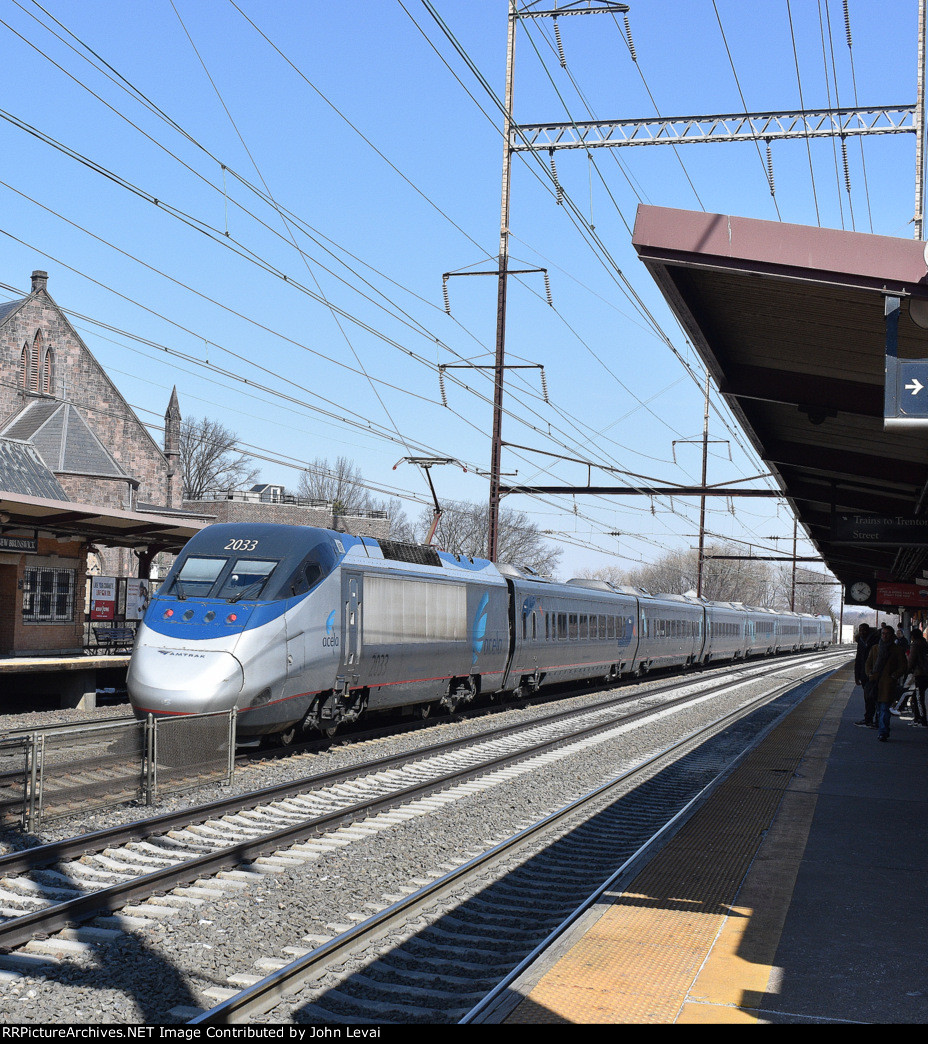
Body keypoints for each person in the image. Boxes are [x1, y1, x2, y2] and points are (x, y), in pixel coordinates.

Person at [866, 624, 908, 742]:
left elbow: (903, 666)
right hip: (875, 683)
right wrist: (869, 674)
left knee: (884, 709)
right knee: (879, 709)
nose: (884, 636)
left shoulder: (897, 650)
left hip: (887, 684)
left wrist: (894, 676)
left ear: (892, 635)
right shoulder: (875, 648)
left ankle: (883, 732)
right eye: (883, 633)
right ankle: (883, 728)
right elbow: (868, 663)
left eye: (887, 634)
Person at [854, 623, 880, 728]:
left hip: (873, 674)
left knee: (872, 697)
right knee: (868, 697)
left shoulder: (875, 641)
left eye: (864, 630)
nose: (862, 632)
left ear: (868, 630)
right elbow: (858, 659)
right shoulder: (860, 641)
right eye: (860, 630)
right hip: (864, 674)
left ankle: (871, 719)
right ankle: (870, 719)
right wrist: (857, 676)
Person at [907, 627, 928, 727]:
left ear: (913, 636)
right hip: (925, 673)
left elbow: (911, 660)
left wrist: (907, 669)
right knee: (916, 696)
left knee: (919, 697)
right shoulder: (925, 643)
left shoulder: (915, 645)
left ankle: (922, 720)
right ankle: (917, 719)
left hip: (920, 673)